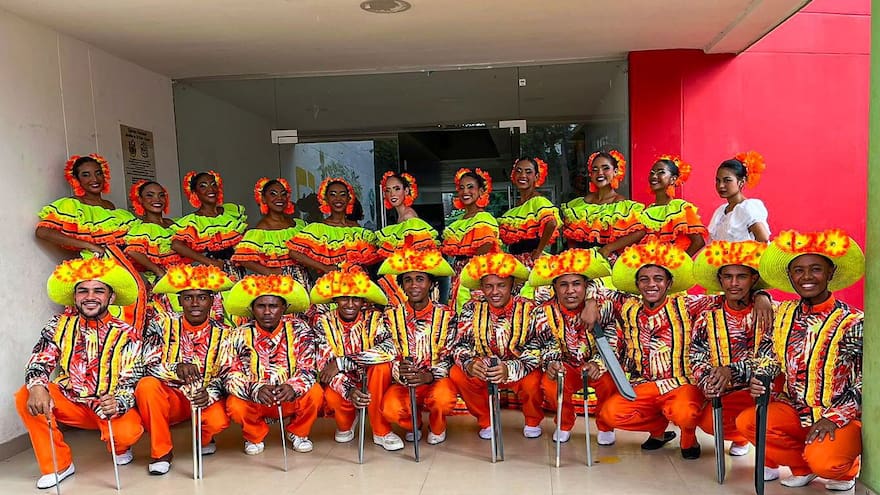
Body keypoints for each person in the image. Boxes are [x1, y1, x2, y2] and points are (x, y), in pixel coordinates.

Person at [595, 241, 771, 459]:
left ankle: (689, 436)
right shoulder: (628, 305)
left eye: (658, 279)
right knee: (611, 414)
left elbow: (730, 296)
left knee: (686, 412)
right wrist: (592, 303)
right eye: (644, 279)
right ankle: (658, 431)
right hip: (644, 383)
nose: (651, 285)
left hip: (681, 383)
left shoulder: (688, 305)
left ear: (669, 283)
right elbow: (595, 289)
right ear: (637, 284)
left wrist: (761, 295)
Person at [736, 230, 864, 491]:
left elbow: (869, 380)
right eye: (798, 270)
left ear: (830, 274)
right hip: (795, 410)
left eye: (815, 269)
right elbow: (767, 354)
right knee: (748, 422)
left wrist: (836, 417)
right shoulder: (783, 314)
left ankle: (841, 469)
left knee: (828, 465)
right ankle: (803, 467)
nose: (806, 277)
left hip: (838, 416)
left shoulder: (854, 322)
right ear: (790, 276)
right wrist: (762, 377)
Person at [14, 257, 147, 489]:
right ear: (75, 298)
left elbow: (131, 379)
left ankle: (120, 446)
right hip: (72, 401)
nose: (90, 297)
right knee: (26, 395)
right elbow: (41, 359)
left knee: (128, 432)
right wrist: (36, 386)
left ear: (111, 297)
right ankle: (59, 466)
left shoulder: (128, 333)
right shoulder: (58, 325)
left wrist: (119, 401)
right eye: (83, 291)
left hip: (109, 406)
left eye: (99, 290)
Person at [134, 264, 234, 474]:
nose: (195, 303)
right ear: (179, 300)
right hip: (172, 398)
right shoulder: (161, 325)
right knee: (147, 386)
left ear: (212, 300)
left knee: (218, 422)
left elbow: (229, 373)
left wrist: (210, 393)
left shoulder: (226, 333)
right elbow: (147, 364)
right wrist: (175, 368)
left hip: (204, 395)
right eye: (188, 297)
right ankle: (161, 452)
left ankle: (204, 437)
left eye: (202, 297)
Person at [36, 154, 146, 328]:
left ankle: (125, 350)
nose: (94, 179)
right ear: (76, 180)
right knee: (102, 309)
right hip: (94, 263)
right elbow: (43, 232)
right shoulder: (73, 205)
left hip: (121, 263)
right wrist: (88, 245)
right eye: (86, 175)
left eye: (98, 173)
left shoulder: (110, 207)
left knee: (129, 303)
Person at [222, 274, 323, 455]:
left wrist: (293, 387)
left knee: (315, 393)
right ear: (252, 308)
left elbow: (308, 368)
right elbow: (230, 374)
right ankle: (254, 435)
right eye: (261, 306)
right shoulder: (237, 335)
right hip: (256, 399)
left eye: (273, 306)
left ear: (284, 308)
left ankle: (299, 433)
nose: (267, 312)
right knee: (234, 404)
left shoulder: (301, 330)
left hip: (289, 397)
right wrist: (256, 389)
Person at [527, 249, 619, 444]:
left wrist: (597, 364)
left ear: (586, 285)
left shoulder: (603, 306)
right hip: (566, 366)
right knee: (550, 383)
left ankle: (605, 425)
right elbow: (545, 343)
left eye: (577, 284)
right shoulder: (543, 312)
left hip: (594, 364)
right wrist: (552, 363)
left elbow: (611, 340)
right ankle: (565, 422)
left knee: (609, 380)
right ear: (554, 287)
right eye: (563, 285)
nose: (570, 290)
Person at [449, 252, 544, 439]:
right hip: (484, 369)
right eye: (489, 286)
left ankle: (533, 420)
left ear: (512, 284)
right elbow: (459, 344)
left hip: (518, 368)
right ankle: (486, 420)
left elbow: (538, 349)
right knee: (457, 373)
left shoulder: (530, 308)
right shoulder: (471, 308)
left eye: (501, 285)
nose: (495, 292)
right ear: (481, 288)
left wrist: (508, 369)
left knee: (534, 379)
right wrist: (470, 364)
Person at [310, 265, 404, 451]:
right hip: (345, 383)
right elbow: (325, 365)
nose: (350, 304)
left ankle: (380, 431)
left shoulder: (375, 319)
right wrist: (350, 390)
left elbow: (389, 348)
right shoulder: (323, 322)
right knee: (331, 394)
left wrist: (343, 362)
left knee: (382, 365)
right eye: (345, 298)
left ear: (363, 301)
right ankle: (349, 420)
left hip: (374, 381)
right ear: (335, 299)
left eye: (356, 299)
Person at [689, 240, 769, 457]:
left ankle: (770, 455)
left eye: (741, 276)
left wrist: (731, 370)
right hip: (728, 391)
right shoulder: (709, 314)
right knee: (708, 422)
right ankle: (739, 436)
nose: (734, 283)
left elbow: (775, 357)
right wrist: (711, 380)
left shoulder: (771, 313)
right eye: (728, 276)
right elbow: (696, 355)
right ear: (720, 279)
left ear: (753, 279)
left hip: (765, 390)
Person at [377, 245, 459, 445]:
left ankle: (437, 425)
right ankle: (413, 424)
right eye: (408, 280)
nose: (414, 285)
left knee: (443, 399)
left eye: (420, 279)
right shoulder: (389, 317)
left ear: (431, 284)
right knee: (389, 408)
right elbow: (384, 352)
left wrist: (429, 375)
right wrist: (400, 371)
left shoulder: (448, 316)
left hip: (436, 381)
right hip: (405, 384)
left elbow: (452, 356)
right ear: (402, 286)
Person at [562, 150, 644, 261]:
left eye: (605, 168)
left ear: (615, 172)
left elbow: (640, 231)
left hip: (607, 262)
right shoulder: (580, 204)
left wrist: (608, 248)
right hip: (580, 261)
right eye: (595, 169)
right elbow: (570, 234)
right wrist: (573, 253)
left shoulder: (621, 204)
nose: (600, 173)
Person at [287, 177, 380, 276]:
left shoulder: (357, 229)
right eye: (333, 195)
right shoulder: (318, 228)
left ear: (349, 199)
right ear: (326, 199)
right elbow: (294, 252)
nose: (338, 198)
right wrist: (324, 267)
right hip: (331, 285)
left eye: (343, 195)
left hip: (359, 284)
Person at [498, 158, 561, 302]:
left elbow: (551, 223)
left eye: (528, 172)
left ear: (536, 177)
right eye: (518, 171)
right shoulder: (516, 208)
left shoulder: (538, 201)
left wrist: (538, 251)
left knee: (533, 302)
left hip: (532, 261)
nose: (523, 175)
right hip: (516, 261)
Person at [375, 171, 439, 307]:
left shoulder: (409, 216)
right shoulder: (401, 217)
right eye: (388, 190)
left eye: (397, 189)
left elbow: (415, 255)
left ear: (407, 191)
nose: (392, 194)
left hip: (409, 281)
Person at [232, 178, 310, 288]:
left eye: (283, 194)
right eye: (273, 194)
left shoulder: (299, 225)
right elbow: (243, 259)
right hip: (278, 284)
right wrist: (269, 272)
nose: (279, 198)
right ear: (263, 199)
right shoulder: (261, 230)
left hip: (303, 278)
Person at [441, 168, 501, 311]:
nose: (465, 191)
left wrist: (470, 268)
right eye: (461, 188)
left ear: (481, 191)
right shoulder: (459, 222)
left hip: (475, 272)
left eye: (470, 187)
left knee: (472, 312)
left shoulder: (483, 218)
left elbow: (486, 245)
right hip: (459, 272)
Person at [171, 170, 248, 280]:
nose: (210, 189)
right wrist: (209, 262)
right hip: (209, 274)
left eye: (213, 184)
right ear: (195, 192)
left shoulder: (231, 213)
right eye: (203, 186)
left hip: (236, 270)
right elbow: (176, 245)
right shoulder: (192, 221)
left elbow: (246, 240)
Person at [124, 180, 182, 314]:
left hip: (181, 277)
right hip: (164, 282)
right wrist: (158, 271)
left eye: (161, 195)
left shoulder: (172, 223)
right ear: (140, 200)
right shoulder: (143, 227)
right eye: (150, 195)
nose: (157, 199)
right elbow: (133, 251)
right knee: (171, 320)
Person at [637, 155, 706, 256]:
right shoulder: (646, 212)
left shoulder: (680, 208)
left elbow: (698, 242)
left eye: (661, 172)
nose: (654, 176)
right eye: (652, 173)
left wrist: (680, 263)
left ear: (673, 179)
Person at [707, 151, 771, 242]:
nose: (721, 185)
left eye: (727, 180)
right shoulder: (720, 211)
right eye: (718, 180)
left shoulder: (747, 207)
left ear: (741, 182)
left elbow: (763, 239)